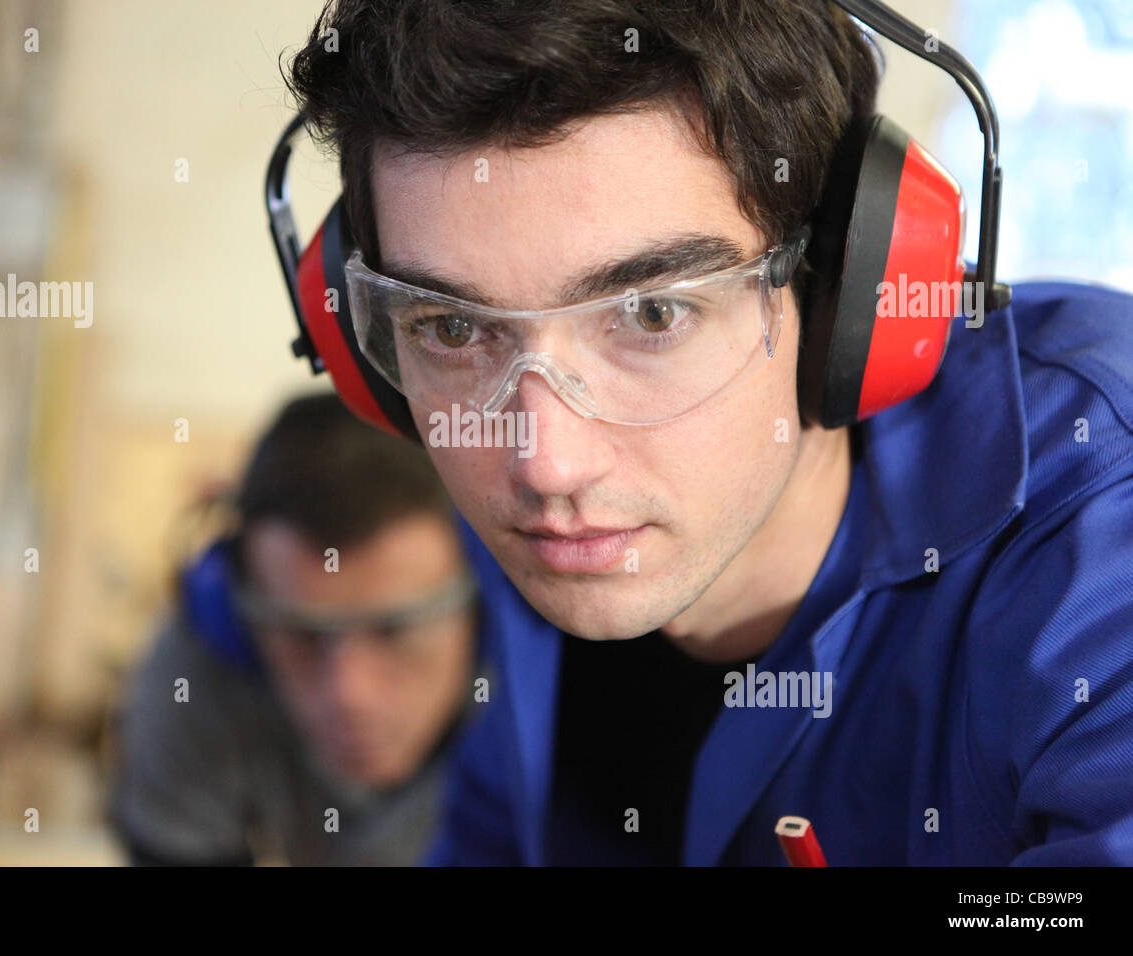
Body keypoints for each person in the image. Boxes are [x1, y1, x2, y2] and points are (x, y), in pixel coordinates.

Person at [276, 0, 1133, 864]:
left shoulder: (1103, 532)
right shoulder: (531, 574)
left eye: (651, 314)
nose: (545, 464)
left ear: (843, 289)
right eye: (453, 329)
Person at [109, 392, 481, 865]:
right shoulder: (199, 660)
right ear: (238, 609)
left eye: (395, 629)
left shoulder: (550, 666)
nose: (349, 694)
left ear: (482, 598)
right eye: (301, 635)